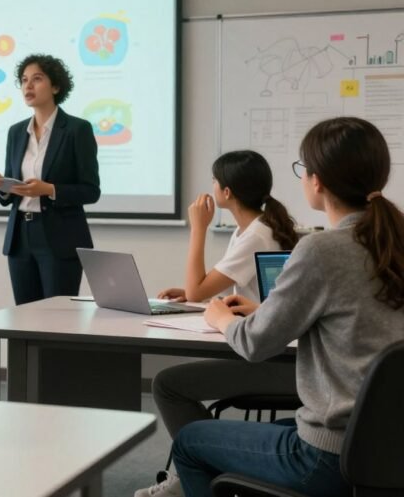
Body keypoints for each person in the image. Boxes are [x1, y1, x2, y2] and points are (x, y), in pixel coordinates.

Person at [166, 117, 404, 497]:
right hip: (390, 448)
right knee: (280, 426)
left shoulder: (322, 250)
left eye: (302, 169)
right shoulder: (393, 239)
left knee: (190, 442)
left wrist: (222, 317)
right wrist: (262, 309)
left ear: (317, 181)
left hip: (329, 457)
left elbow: (254, 345)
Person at [136, 150, 300, 496]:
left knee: (167, 384)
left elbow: (200, 289)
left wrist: (197, 229)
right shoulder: (253, 229)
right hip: (273, 348)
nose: (210, 188)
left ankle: (198, 466)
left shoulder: (255, 234)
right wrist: (190, 291)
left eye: (214, 181)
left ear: (227, 192)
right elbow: (206, 287)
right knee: (174, 382)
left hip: (274, 357)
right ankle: (200, 464)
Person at [0, 53, 100, 303]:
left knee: (56, 321)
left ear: (56, 86)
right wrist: (4, 187)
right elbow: (9, 193)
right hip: (20, 238)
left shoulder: (77, 130)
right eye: (24, 80)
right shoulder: (16, 132)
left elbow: (91, 191)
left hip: (60, 237)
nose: (28, 85)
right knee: (25, 318)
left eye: (36, 79)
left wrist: (48, 189)